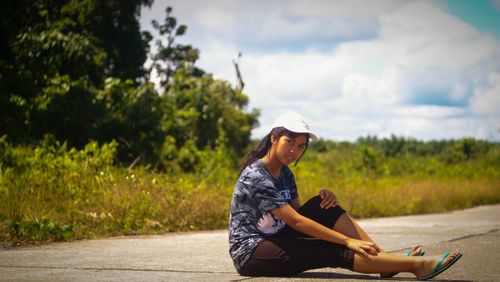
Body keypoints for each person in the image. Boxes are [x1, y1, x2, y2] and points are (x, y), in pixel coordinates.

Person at [228, 112, 462, 279]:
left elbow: (299, 213)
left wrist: (325, 202)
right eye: (290, 141)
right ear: (273, 138)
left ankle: (384, 261)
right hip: (252, 251)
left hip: (278, 236)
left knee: (323, 205)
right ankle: (417, 266)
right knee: (329, 248)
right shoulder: (256, 175)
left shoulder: (285, 173)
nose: (294, 151)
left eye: (301, 146)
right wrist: (347, 240)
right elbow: (295, 221)